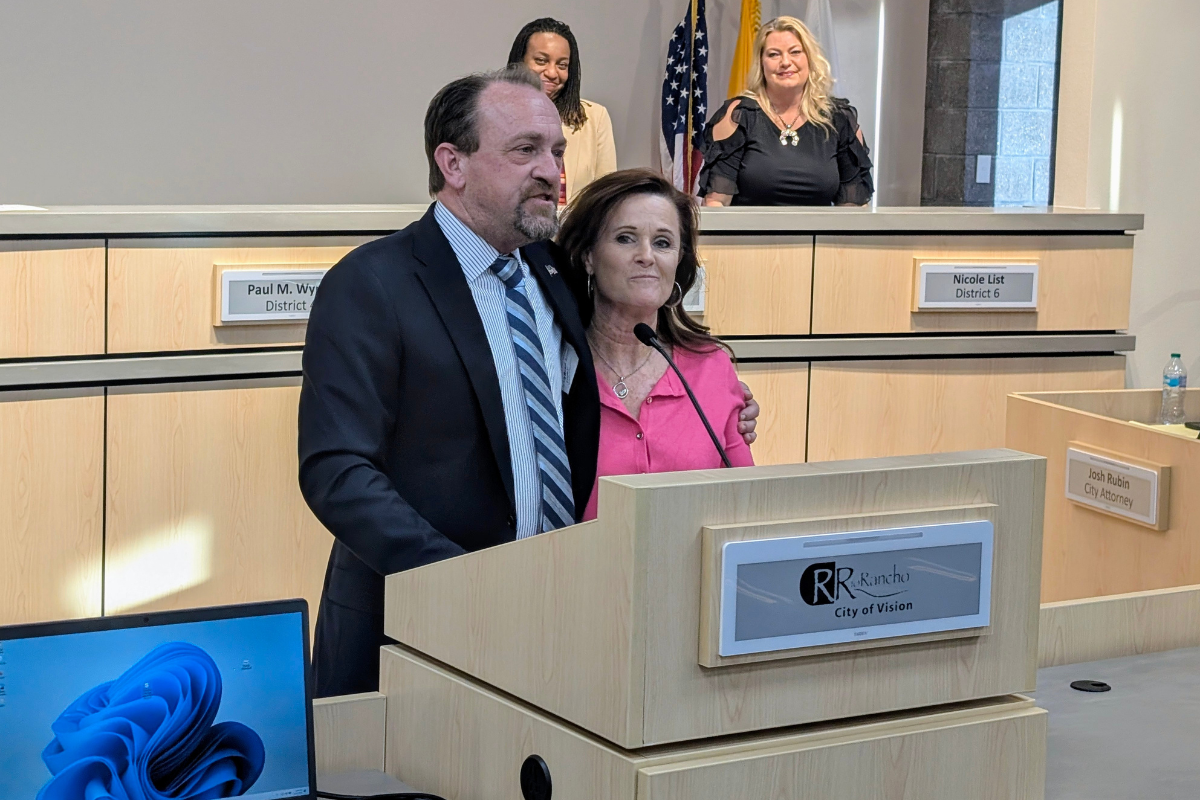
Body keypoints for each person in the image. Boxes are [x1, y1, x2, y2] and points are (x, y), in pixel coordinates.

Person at [298, 67, 759, 697]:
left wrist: (720, 393)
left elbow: (630, 332)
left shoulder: (551, 272)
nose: (551, 170)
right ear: (452, 163)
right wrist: (468, 581)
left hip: (550, 620)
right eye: (525, 151)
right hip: (417, 622)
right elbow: (337, 470)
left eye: (557, 151)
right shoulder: (372, 283)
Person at [556, 169, 755, 519]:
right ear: (588, 256)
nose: (646, 256)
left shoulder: (712, 367)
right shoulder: (554, 366)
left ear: (678, 260)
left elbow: (747, 505)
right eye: (625, 238)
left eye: (663, 242)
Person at [700, 16, 873, 207]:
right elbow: (716, 203)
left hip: (819, 237)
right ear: (761, 63)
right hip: (750, 236)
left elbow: (853, 208)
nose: (785, 62)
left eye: (795, 52)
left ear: (810, 58)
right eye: (774, 54)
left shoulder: (839, 119)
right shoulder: (739, 115)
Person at [508, 18, 617, 204]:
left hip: (575, 231)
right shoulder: (491, 114)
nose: (552, 72)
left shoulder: (595, 118)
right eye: (541, 60)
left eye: (562, 65)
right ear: (520, 62)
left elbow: (606, 195)